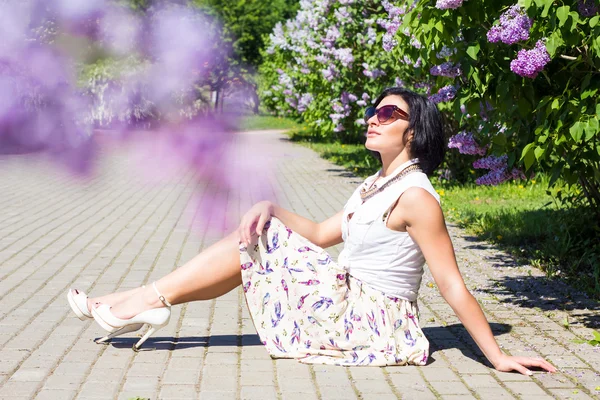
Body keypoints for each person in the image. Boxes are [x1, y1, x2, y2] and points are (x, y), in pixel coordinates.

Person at [67, 87, 556, 374]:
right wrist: (271, 205)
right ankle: (143, 302)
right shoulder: (376, 184)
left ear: (414, 132)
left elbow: (450, 283)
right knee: (259, 232)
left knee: (262, 240)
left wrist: (497, 355)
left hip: (374, 319)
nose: (372, 118)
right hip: (348, 298)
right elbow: (324, 234)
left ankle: (139, 302)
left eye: (388, 114)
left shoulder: (417, 197)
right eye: (374, 110)